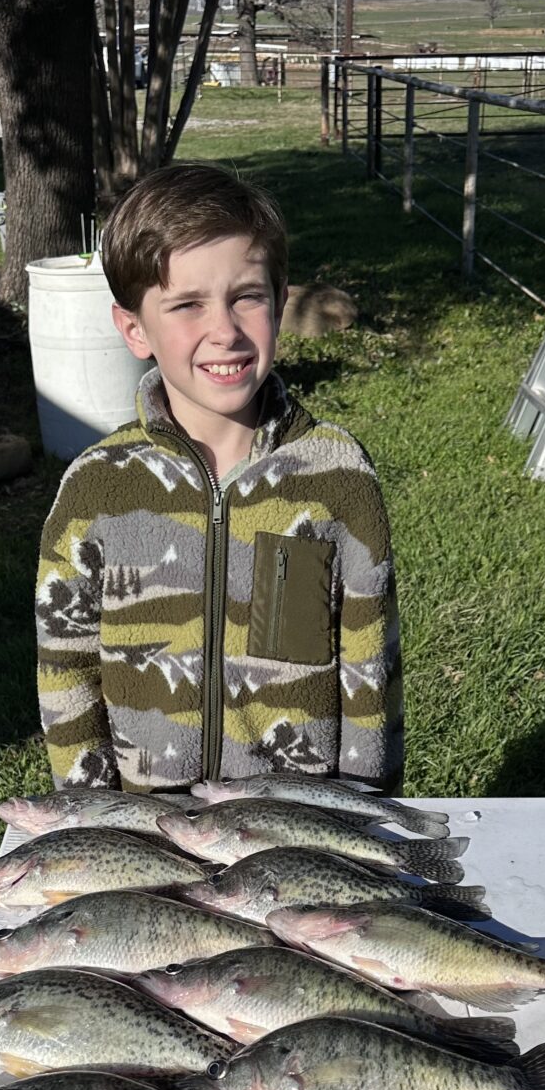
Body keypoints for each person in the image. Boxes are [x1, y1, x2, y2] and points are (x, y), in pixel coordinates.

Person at [35, 162, 403, 792]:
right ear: (134, 329)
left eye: (247, 297)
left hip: (291, 834)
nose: (224, 331)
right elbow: (65, 669)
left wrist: (367, 814)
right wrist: (93, 817)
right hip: (153, 832)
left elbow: (371, 670)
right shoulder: (95, 489)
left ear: (280, 303)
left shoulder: (336, 476)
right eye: (186, 305)